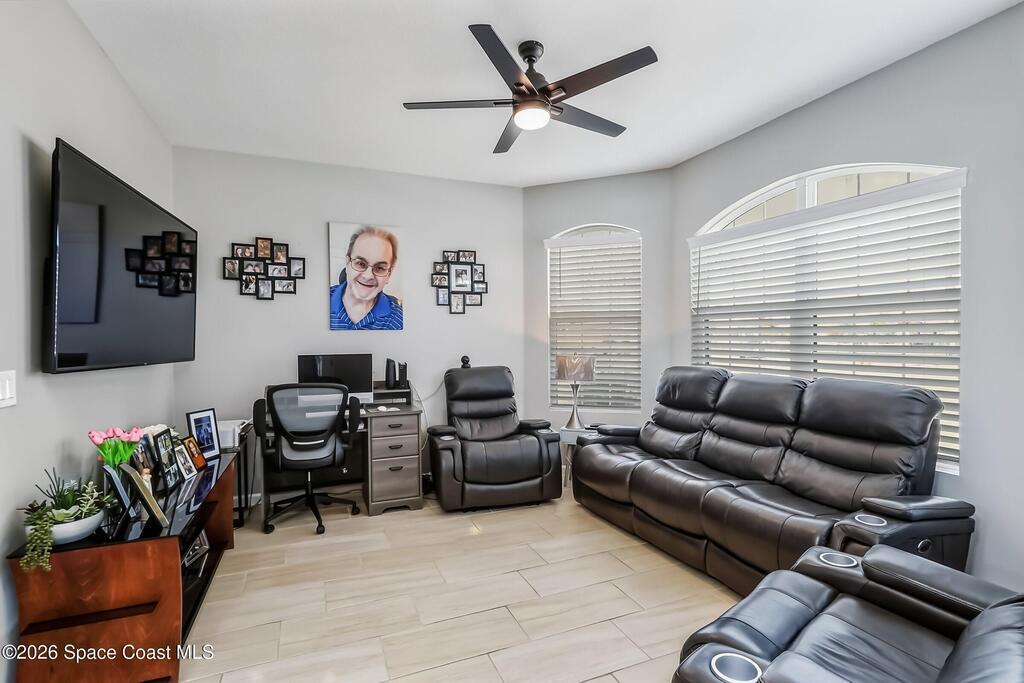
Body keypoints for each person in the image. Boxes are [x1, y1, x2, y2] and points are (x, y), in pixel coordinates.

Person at [330, 226, 403, 330]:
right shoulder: (319, 301)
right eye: (361, 264)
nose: (368, 276)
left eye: (380, 268)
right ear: (347, 263)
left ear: (389, 275)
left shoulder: (398, 320)